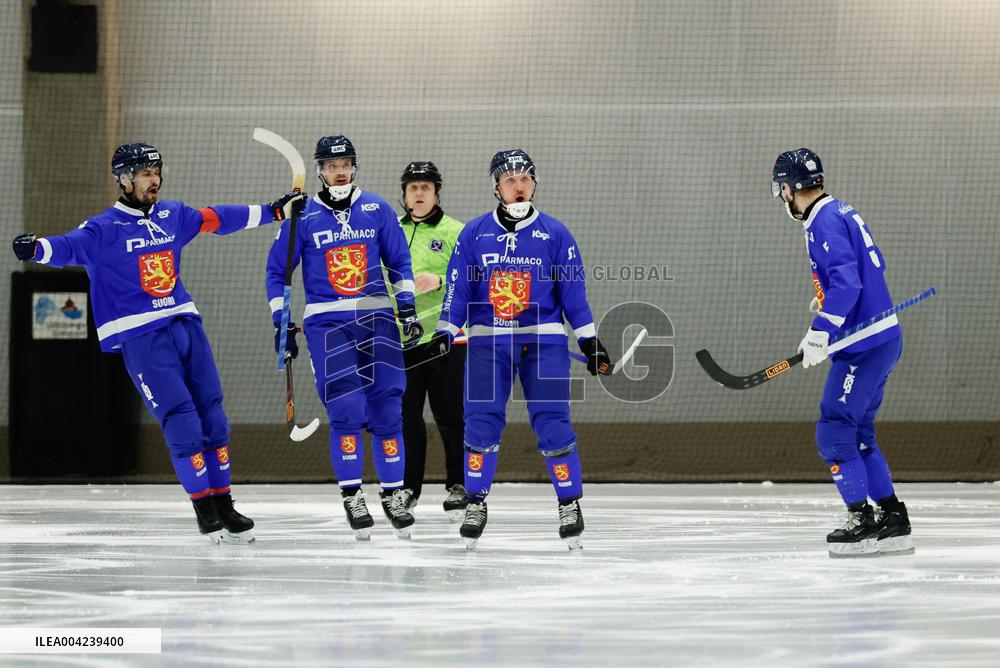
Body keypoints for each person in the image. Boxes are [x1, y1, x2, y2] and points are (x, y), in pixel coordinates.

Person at [11, 142, 304, 544]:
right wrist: (37, 249)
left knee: (212, 415)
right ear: (124, 178)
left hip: (185, 323)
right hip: (141, 335)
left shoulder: (173, 215)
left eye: (156, 172)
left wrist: (273, 210)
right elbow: (66, 248)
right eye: (146, 174)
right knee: (182, 419)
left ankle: (225, 503)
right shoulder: (102, 228)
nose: (155, 180)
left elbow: (217, 218)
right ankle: (204, 510)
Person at [429, 149, 611, 550]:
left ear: (534, 183)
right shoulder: (473, 234)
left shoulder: (556, 234)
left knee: (553, 421)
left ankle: (569, 503)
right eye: (510, 179)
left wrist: (590, 340)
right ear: (497, 186)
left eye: (525, 178)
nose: (518, 185)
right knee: (479, 421)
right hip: (487, 342)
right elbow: (458, 290)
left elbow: (574, 295)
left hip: (543, 342)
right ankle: (475, 501)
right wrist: (446, 330)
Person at [265, 135, 422, 541]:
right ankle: (352, 494)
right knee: (346, 405)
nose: (339, 171)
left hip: (378, 318)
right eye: (331, 165)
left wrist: (405, 307)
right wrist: (281, 323)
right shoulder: (304, 216)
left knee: (389, 406)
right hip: (327, 323)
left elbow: (399, 261)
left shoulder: (377, 208)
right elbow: (277, 273)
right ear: (319, 170)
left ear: (354, 167)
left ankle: (392, 495)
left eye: (345, 163)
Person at [772, 147, 913, 558]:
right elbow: (873, 266)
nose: (781, 197)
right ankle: (891, 517)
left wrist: (821, 331)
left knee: (834, 430)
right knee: (860, 433)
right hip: (883, 339)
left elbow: (849, 285)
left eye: (781, 188)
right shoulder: (843, 210)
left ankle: (861, 520)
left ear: (790, 187)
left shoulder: (822, 222)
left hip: (862, 347)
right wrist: (827, 301)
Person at [394, 161, 467, 520]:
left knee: (451, 415)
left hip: (446, 339)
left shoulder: (457, 231)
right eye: (413, 188)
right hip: (402, 341)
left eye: (425, 187)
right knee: (407, 416)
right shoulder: (390, 230)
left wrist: (438, 279)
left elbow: (473, 277)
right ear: (404, 195)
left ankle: (459, 484)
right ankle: (409, 487)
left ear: (437, 193)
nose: (419, 193)